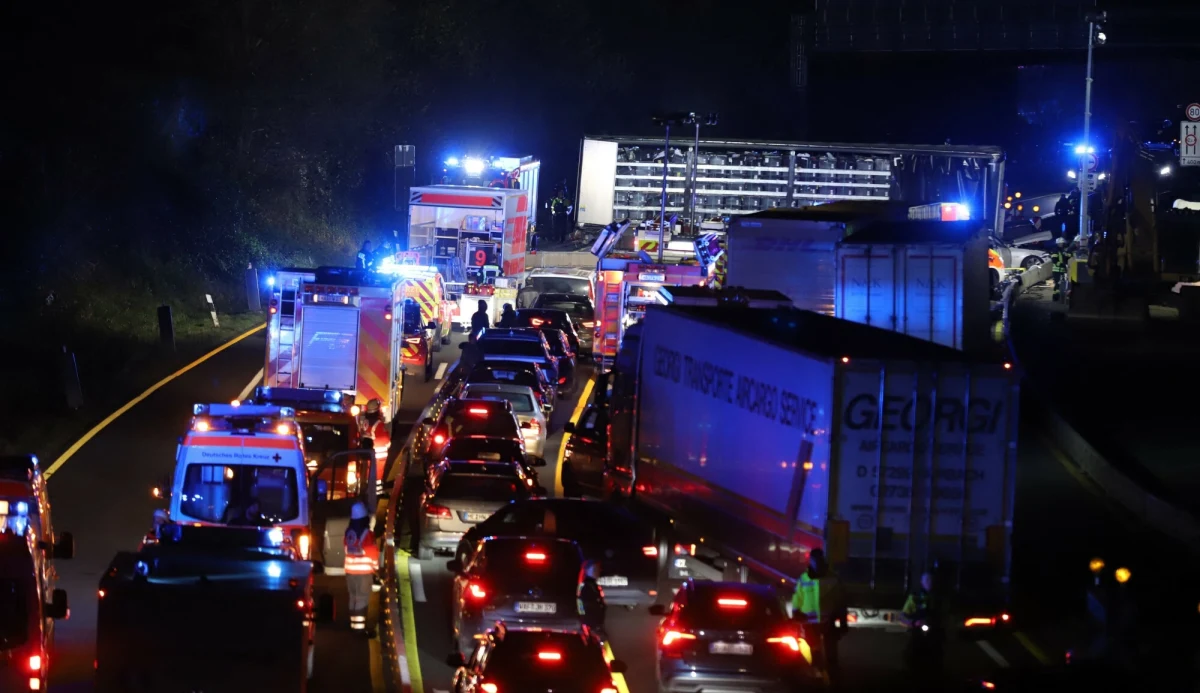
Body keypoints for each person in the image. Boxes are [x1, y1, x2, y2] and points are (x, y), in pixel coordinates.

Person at [792, 547, 845, 673]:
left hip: (828, 622)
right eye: (814, 560)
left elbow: (841, 600)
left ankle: (832, 677)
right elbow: (797, 597)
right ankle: (818, 675)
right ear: (811, 561)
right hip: (810, 623)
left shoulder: (833, 578)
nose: (816, 564)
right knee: (814, 652)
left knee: (831, 654)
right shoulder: (804, 579)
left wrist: (843, 620)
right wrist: (796, 613)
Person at [344, 502, 378, 636]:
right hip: (363, 572)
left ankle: (353, 625)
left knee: (353, 597)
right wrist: (375, 569)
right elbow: (372, 552)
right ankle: (358, 629)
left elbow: (346, 549)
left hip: (350, 571)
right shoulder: (367, 534)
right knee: (362, 598)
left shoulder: (349, 533)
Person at [901, 572, 944, 674]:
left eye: (931, 580)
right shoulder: (914, 597)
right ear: (922, 582)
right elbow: (903, 616)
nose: (929, 583)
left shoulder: (939, 598)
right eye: (927, 580)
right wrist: (914, 623)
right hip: (917, 631)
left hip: (934, 632)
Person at [1051, 236, 1071, 302]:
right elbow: (1054, 260)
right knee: (1058, 284)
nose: (1062, 244)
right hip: (1057, 271)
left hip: (1062, 270)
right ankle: (1055, 297)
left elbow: (1066, 256)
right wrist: (1061, 264)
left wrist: (1069, 255)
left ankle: (1060, 297)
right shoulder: (1055, 251)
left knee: (1061, 284)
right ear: (1058, 243)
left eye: (1063, 243)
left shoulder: (1062, 250)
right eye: (1061, 243)